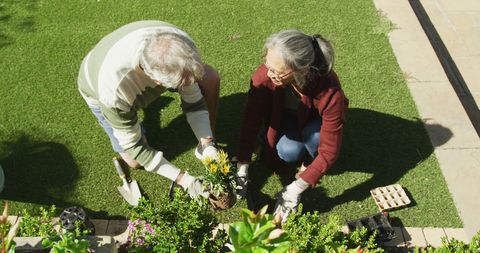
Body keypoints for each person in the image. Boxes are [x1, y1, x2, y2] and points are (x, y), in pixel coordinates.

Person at [78, 21, 220, 200]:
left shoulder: (183, 46)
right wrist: (184, 180)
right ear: (157, 82)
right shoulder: (113, 92)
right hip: (94, 82)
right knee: (134, 161)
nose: (187, 86)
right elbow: (136, 148)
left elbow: (194, 103)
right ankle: (132, 118)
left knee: (210, 78)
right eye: (181, 85)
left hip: (135, 57)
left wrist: (207, 144)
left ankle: (206, 144)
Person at [235, 29, 348, 222]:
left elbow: (329, 151)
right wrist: (242, 165)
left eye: (277, 71)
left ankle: (309, 164)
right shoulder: (264, 77)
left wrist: (296, 189)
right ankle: (303, 158)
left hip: (314, 123)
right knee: (288, 151)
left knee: (316, 138)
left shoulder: (331, 91)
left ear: (301, 70)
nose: (269, 73)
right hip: (287, 118)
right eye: (267, 65)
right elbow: (251, 120)